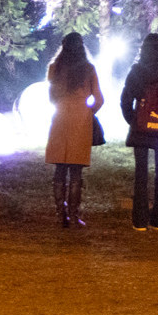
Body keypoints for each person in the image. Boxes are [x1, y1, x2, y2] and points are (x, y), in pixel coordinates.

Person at [119, 34, 158, 232]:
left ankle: (139, 221)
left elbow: (125, 100)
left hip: (141, 129)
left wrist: (134, 121)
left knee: (141, 173)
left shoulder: (137, 71)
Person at [44, 33, 104, 229]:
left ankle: (60, 215)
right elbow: (99, 99)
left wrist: (62, 104)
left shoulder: (55, 68)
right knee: (76, 170)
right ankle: (74, 214)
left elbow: (51, 96)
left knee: (60, 168)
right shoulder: (88, 69)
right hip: (81, 120)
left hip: (60, 118)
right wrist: (88, 112)